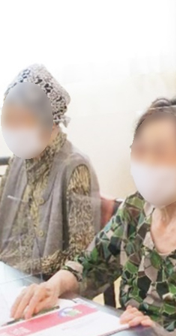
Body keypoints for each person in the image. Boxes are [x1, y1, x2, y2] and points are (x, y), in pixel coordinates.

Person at [9, 95, 176, 336]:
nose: (148, 163)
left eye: (160, 153)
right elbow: (89, 266)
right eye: (140, 152)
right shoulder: (135, 210)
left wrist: (160, 335)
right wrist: (52, 287)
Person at [0, 64, 102, 279]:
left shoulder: (75, 167)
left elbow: (82, 255)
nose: (14, 129)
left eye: (23, 120)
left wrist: (23, 266)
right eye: (9, 119)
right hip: (9, 275)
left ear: (51, 121)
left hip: (48, 284)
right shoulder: (20, 159)